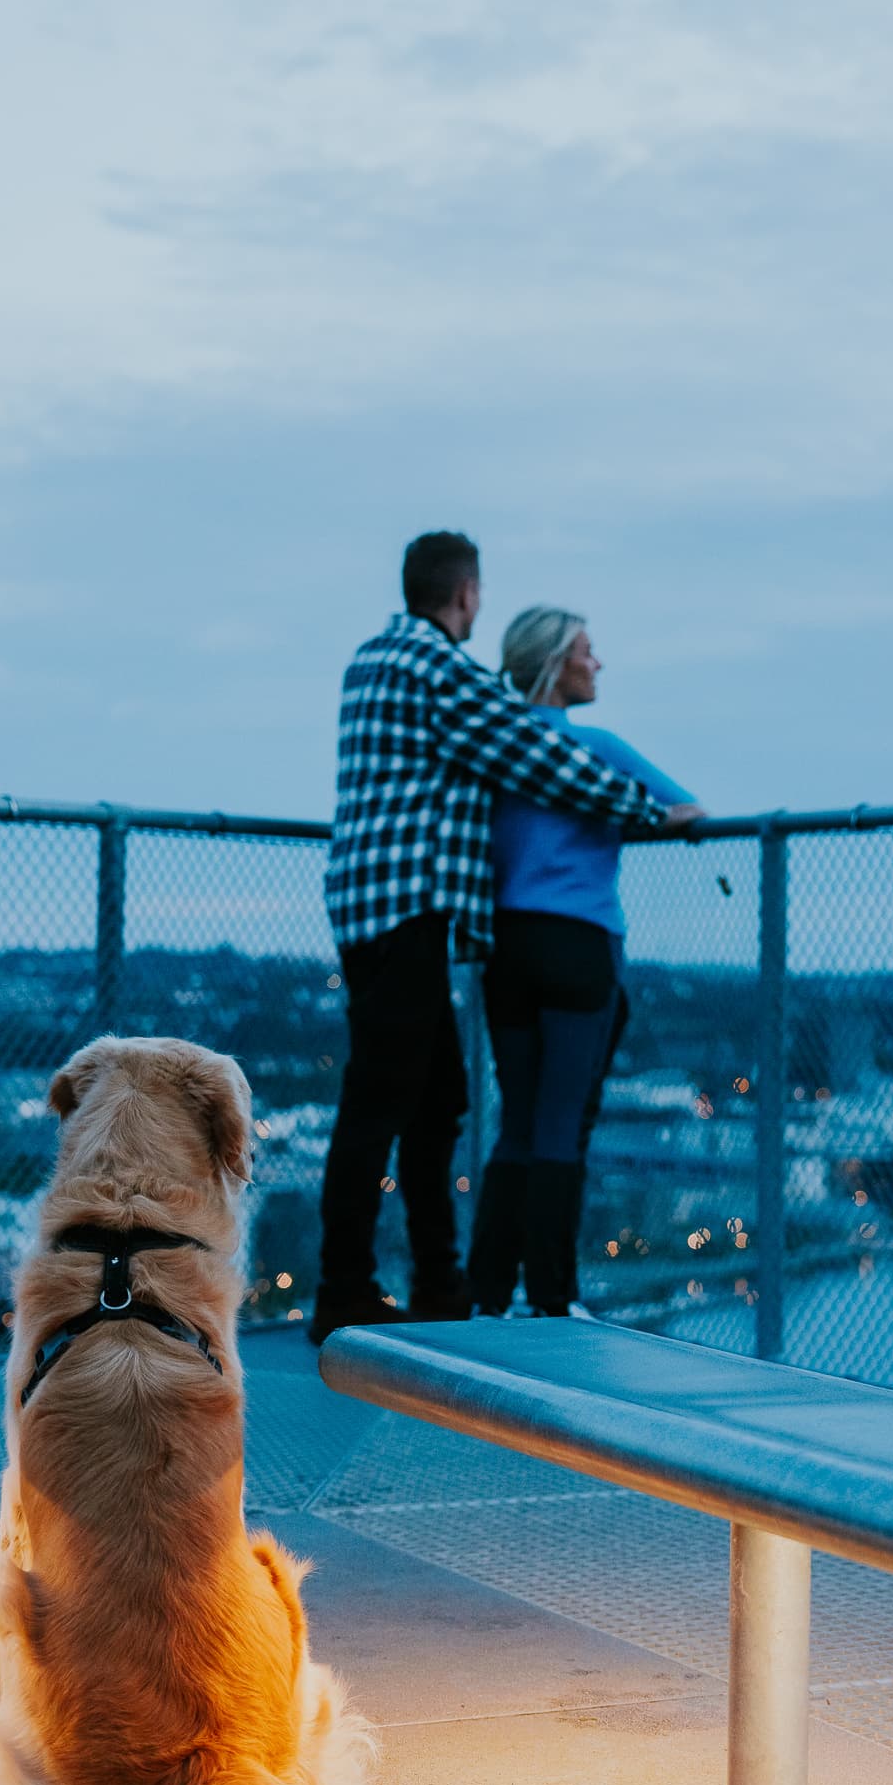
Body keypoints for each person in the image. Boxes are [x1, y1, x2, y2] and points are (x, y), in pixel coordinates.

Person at [311, 534, 698, 1344]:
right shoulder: (439, 669)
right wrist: (644, 811)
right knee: (383, 1106)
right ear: (466, 596)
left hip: (371, 907)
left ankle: (446, 1287)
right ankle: (351, 1290)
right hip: (410, 908)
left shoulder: (369, 658)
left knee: (437, 1101)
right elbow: (538, 759)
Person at [468, 606, 700, 1317]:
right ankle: (551, 1298)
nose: (597, 665)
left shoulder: (495, 750)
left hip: (504, 945)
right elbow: (686, 811)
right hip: (578, 944)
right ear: (556, 663)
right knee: (561, 1127)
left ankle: (485, 1292)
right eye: (588, 652)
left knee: (515, 1124)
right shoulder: (595, 747)